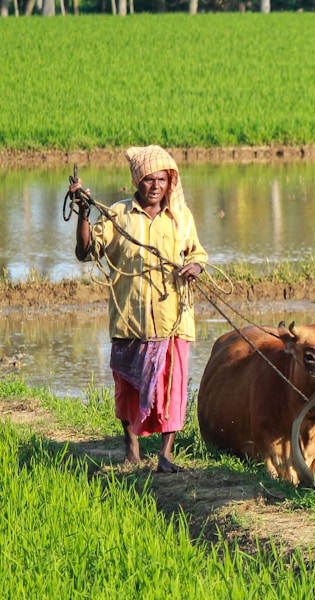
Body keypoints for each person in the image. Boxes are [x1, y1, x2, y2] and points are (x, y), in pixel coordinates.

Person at [69, 145, 207, 473]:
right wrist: (84, 213)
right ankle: (131, 448)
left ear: (169, 182)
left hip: (173, 319)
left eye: (161, 179)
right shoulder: (118, 215)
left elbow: (198, 254)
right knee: (128, 388)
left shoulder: (180, 217)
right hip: (130, 320)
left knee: (172, 386)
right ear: (137, 182)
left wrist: (195, 267)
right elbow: (86, 251)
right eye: (148, 179)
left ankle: (166, 454)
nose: (155, 185)